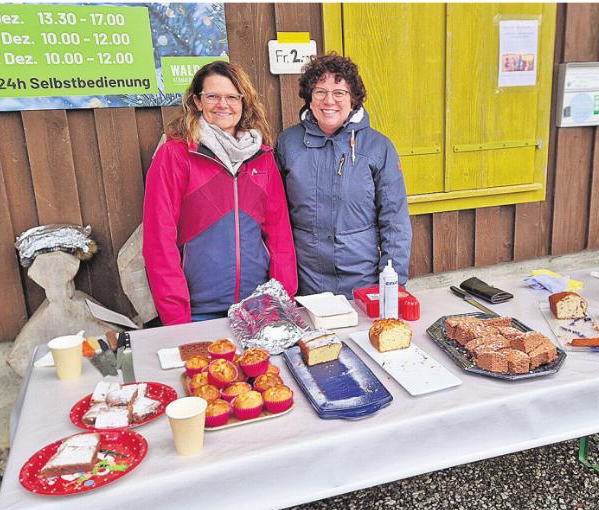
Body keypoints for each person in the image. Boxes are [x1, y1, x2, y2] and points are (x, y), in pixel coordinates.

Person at [143, 61, 297, 325]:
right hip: (197, 313)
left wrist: (282, 302)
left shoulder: (262, 158)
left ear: (243, 102)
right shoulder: (176, 154)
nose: (222, 104)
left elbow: (280, 236)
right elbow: (159, 241)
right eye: (213, 96)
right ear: (197, 102)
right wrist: (177, 320)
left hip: (258, 310)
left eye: (231, 97)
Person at [276, 53, 411, 298]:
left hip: (362, 281)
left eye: (339, 92)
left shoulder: (378, 147)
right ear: (309, 97)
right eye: (320, 91)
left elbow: (395, 221)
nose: (329, 101)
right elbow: (276, 217)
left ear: (353, 99)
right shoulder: (288, 144)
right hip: (306, 281)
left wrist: (393, 284)